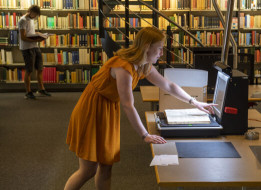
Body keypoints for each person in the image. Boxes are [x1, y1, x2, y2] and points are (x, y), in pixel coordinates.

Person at [64, 27, 216, 190]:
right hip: (92, 110)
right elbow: (128, 105)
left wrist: (196, 102)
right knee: (88, 170)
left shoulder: (144, 65)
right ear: (146, 47)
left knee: (107, 165)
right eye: (159, 48)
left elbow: (168, 86)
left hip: (108, 109)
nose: (161, 53)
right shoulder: (123, 67)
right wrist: (145, 135)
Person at [18, 5, 51, 99]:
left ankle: (41, 89)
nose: (35, 16)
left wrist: (40, 35)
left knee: (40, 68)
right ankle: (28, 92)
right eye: (34, 14)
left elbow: (30, 33)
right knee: (29, 70)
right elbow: (23, 37)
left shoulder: (32, 19)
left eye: (37, 15)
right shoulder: (22, 20)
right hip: (27, 48)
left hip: (35, 47)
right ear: (30, 11)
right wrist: (36, 40)